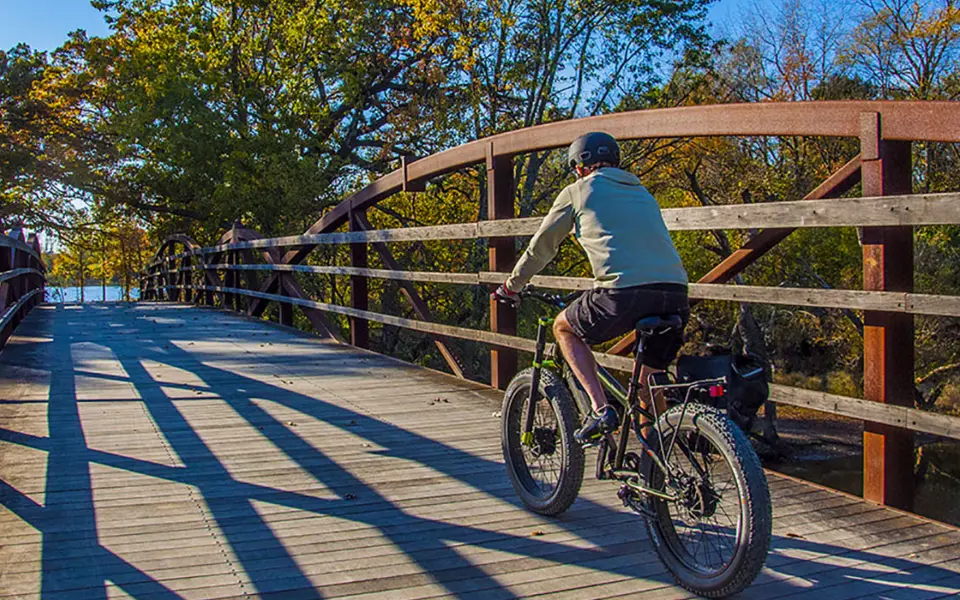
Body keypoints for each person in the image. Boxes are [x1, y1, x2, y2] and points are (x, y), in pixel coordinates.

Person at [493, 131, 689, 445]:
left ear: (580, 166)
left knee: (564, 328)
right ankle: (653, 472)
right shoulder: (643, 193)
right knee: (648, 383)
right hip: (676, 294)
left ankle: (600, 410)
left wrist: (511, 286)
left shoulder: (578, 191)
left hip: (624, 294)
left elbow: (541, 248)